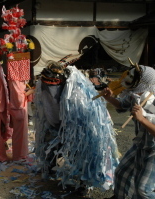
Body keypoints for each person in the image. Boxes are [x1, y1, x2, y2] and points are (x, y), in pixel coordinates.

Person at [34, 59, 119, 196]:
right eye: (47, 84)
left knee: (82, 153)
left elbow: (86, 116)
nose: (50, 87)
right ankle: (49, 167)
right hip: (54, 122)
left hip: (78, 127)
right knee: (49, 144)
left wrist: (74, 130)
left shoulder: (76, 92)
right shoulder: (42, 84)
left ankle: (84, 182)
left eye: (53, 84)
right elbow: (44, 106)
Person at [102, 63, 155, 199]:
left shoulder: (153, 101)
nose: (126, 77)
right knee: (121, 172)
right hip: (140, 145)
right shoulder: (134, 96)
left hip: (153, 150)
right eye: (129, 73)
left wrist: (143, 120)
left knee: (144, 189)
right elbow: (121, 105)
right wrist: (109, 98)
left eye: (131, 76)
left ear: (143, 82)